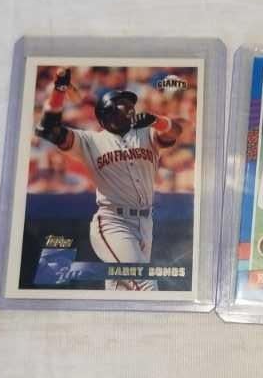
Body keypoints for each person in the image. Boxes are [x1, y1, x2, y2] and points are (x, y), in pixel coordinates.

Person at [35, 68, 182, 290]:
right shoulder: (91, 140)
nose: (130, 108)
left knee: (121, 289)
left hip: (145, 223)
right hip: (114, 221)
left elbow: (175, 131)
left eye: (130, 104)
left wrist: (157, 120)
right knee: (144, 283)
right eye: (123, 103)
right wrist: (59, 89)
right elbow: (49, 130)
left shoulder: (145, 133)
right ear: (108, 112)